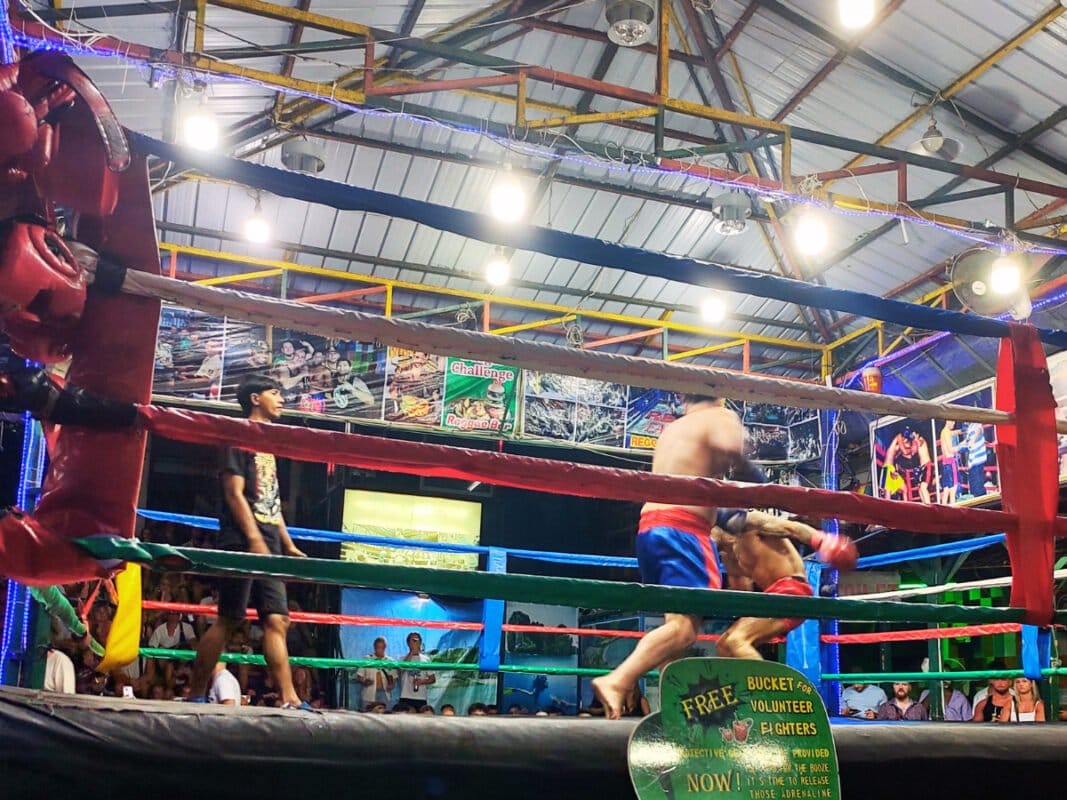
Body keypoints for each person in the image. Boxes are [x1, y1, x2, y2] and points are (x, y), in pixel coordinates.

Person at [590, 395, 745, 719]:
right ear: (719, 394)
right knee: (685, 631)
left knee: (675, 630)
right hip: (684, 530)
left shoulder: (673, 430)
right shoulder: (720, 416)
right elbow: (734, 452)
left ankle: (671, 710)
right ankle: (618, 679)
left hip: (650, 530)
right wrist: (759, 485)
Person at [186, 376, 310, 710]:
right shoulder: (237, 437)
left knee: (277, 619)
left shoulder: (268, 445)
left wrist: (287, 544)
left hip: (267, 539)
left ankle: (289, 697)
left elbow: (270, 501)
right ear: (256, 398)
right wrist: (254, 538)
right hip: (241, 538)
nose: (282, 399)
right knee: (230, 617)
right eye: (275, 393)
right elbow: (233, 493)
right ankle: (196, 692)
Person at [711, 509, 856, 660]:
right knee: (724, 646)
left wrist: (822, 541)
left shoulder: (750, 523)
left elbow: (791, 528)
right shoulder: (730, 556)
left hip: (792, 590)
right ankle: (737, 682)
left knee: (736, 641)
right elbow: (742, 595)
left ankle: (760, 684)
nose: (710, 538)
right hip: (772, 597)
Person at [883, 426, 934, 503]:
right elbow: (905, 452)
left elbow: (909, 452)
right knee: (887, 496)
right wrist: (912, 446)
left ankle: (907, 508)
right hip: (886, 469)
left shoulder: (920, 439)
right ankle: (887, 513)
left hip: (892, 470)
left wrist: (912, 445)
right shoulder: (899, 436)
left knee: (905, 489)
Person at [356, 636, 397, 710]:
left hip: (384, 693)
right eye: (378, 647)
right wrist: (365, 682)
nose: (380, 649)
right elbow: (359, 676)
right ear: (374, 647)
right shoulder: (367, 659)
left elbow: (393, 679)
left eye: (382, 647)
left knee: (385, 716)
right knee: (366, 716)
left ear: (385, 647)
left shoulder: (390, 661)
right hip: (368, 693)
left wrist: (391, 685)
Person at [397, 631, 434, 711]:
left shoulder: (426, 659)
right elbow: (401, 670)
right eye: (413, 640)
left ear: (420, 642)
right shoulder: (402, 659)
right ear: (408, 643)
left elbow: (432, 679)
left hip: (420, 697)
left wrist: (422, 681)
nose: (415, 642)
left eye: (417, 640)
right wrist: (412, 653)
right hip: (405, 696)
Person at [963, 421, 989, 498]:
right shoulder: (969, 428)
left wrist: (973, 440)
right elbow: (967, 442)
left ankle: (982, 505)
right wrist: (958, 447)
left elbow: (979, 430)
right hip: (972, 460)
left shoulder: (976, 423)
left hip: (978, 459)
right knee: (973, 486)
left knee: (978, 486)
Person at [938, 420, 959, 505]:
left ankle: (943, 514)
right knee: (953, 489)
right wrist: (962, 446)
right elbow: (951, 450)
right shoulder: (947, 433)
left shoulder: (944, 432)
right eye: (953, 421)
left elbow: (953, 433)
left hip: (945, 463)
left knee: (946, 490)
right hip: (950, 463)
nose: (954, 423)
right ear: (948, 421)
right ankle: (954, 513)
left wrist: (961, 431)